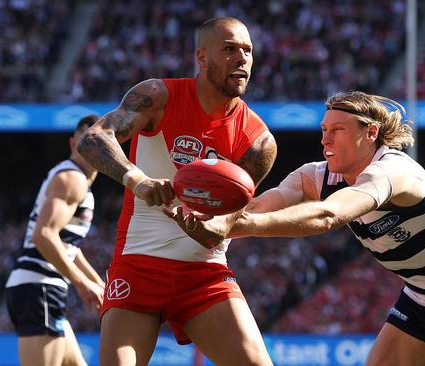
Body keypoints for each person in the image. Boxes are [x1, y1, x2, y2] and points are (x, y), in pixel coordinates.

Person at [166, 90, 425, 366]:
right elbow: (260, 205)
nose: (324, 139)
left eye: (337, 130)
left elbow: (327, 216)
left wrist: (237, 225)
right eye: (323, 130)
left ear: (370, 133)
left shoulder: (392, 171)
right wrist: (215, 217)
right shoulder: (315, 175)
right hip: (424, 298)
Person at [76, 17, 277, 366]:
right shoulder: (157, 96)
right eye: (229, 49)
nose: (241, 58)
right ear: (201, 58)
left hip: (204, 275)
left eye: (247, 51)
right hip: (138, 267)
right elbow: (93, 139)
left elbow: (225, 224)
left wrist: (210, 227)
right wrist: (138, 181)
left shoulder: (258, 141)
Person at [5, 115, 105, 366]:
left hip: (41, 287)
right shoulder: (72, 179)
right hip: (38, 287)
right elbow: (44, 235)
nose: (92, 147)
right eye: (86, 140)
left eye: (100, 141)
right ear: (73, 143)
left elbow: (67, 244)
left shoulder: (80, 183)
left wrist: (97, 283)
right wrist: (81, 283)